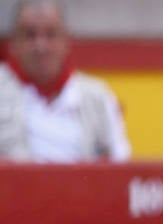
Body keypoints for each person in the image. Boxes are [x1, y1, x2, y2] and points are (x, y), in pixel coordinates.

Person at [0, 0, 131, 162]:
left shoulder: (98, 97)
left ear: (67, 41)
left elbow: (119, 169)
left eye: (51, 34)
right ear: (13, 42)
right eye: (30, 35)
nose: (41, 46)